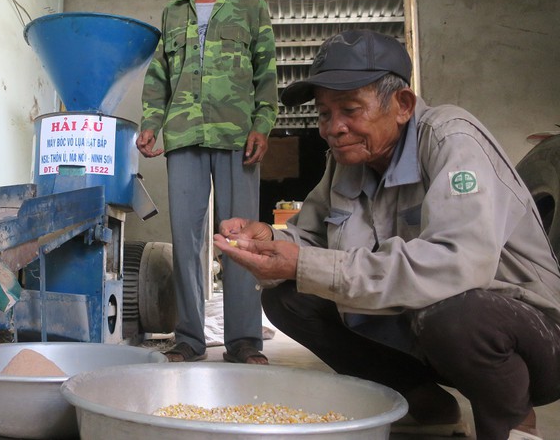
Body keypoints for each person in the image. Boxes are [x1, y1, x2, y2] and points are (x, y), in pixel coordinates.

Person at [214, 29, 560, 440]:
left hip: (531, 336)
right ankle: (425, 404)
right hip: (423, 326)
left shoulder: (451, 138)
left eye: (350, 109)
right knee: (289, 297)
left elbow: (460, 264)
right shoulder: (347, 160)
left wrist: (306, 263)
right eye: (324, 114)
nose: (333, 128)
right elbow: (313, 241)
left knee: (453, 314)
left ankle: (513, 421)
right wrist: (270, 241)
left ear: (402, 105)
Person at [137, 0, 278, 364]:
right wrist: (151, 121)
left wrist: (263, 124)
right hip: (184, 135)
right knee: (186, 239)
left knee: (239, 239)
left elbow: (266, 72)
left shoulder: (250, 7)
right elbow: (159, 75)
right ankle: (189, 339)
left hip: (237, 134)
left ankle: (244, 340)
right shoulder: (173, 12)